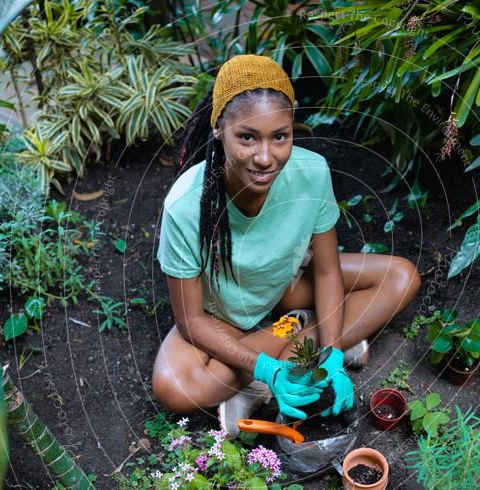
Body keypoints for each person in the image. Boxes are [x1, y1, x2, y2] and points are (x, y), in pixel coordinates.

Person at [152, 54, 421, 436]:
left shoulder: (311, 173)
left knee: (401, 278)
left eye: (280, 136)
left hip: (285, 287)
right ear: (218, 129)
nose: (265, 158)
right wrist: (268, 367)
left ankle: (303, 350)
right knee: (174, 388)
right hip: (218, 317)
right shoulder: (185, 206)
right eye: (247, 137)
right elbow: (191, 321)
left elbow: (326, 270)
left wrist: (330, 359)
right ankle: (290, 345)